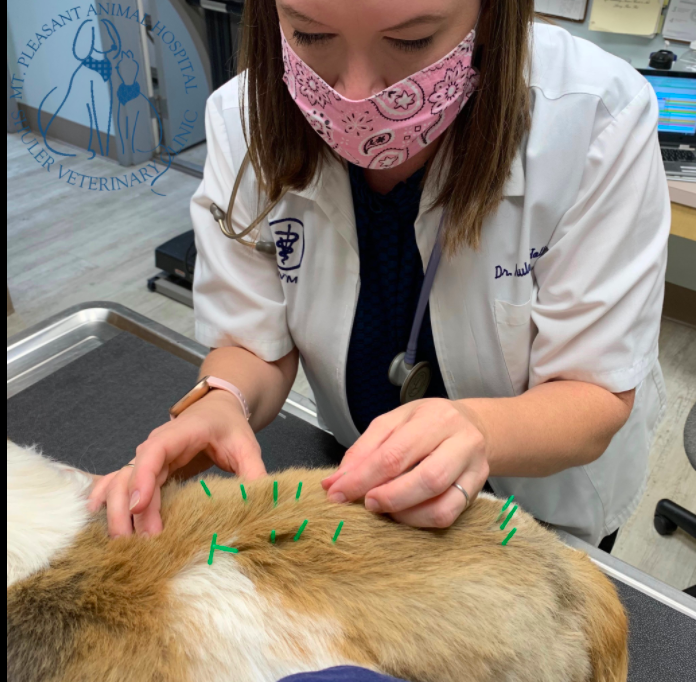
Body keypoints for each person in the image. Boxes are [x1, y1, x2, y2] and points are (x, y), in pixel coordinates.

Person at [89, 0, 669, 551]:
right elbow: (253, 344)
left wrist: (478, 430)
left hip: (545, 504)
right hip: (359, 480)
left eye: (411, 40)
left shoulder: (597, 118)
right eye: (311, 34)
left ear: (491, 14)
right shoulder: (243, 121)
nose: (358, 96)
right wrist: (223, 400)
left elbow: (592, 393)